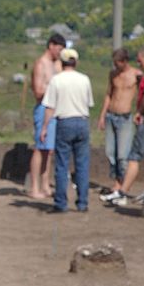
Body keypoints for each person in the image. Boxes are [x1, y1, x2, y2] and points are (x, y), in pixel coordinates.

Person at [109, 47, 144, 207]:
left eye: (140, 60)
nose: (138, 64)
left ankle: (123, 192)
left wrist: (140, 111)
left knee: (134, 156)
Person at [40, 48, 95, 213]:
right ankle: (82, 202)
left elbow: (50, 106)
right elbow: (89, 103)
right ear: (75, 62)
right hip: (82, 121)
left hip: (65, 122)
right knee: (82, 165)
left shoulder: (56, 80)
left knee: (62, 164)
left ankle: (61, 203)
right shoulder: (84, 79)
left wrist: (44, 127)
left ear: (61, 62)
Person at [98, 48, 141, 203]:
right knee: (111, 152)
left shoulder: (136, 75)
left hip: (125, 117)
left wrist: (139, 112)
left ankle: (123, 186)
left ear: (124, 61)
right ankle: (117, 182)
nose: (116, 66)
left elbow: (142, 94)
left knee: (123, 154)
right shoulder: (113, 74)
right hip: (111, 115)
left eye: (118, 63)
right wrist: (102, 115)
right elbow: (109, 94)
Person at [28, 33, 65, 199]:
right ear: (51, 45)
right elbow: (37, 91)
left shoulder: (57, 64)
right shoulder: (41, 64)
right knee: (40, 147)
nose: (60, 52)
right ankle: (34, 187)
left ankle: (45, 184)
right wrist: (54, 91)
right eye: (59, 49)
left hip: (56, 109)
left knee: (49, 150)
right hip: (44, 108)